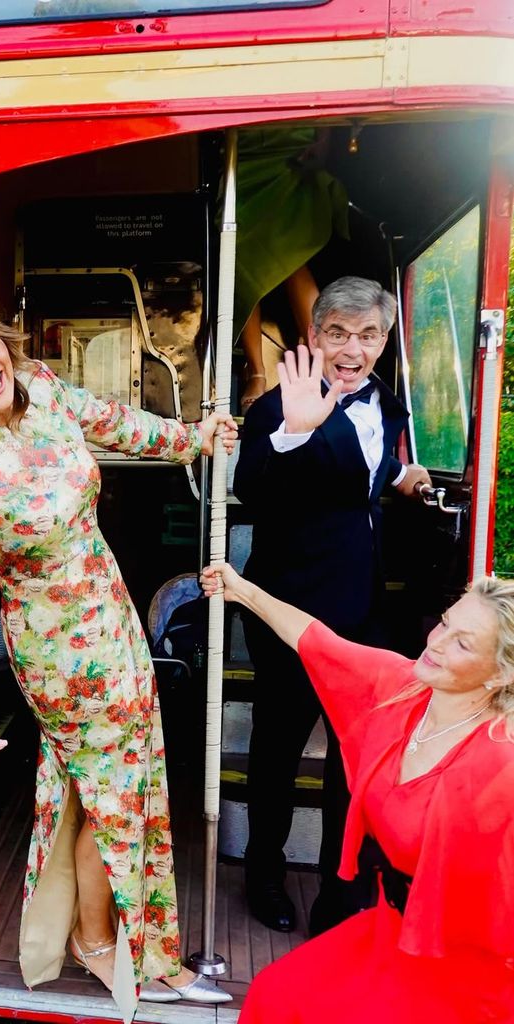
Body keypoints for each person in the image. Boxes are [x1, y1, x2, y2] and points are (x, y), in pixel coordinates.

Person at [0, 290, 238, 1024]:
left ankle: (96, 934)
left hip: (113, 615)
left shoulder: (42, 390)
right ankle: (106, 940)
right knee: (115, 796)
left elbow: (121, 425)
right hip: (57, 656)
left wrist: (193, 437)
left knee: (114, 784)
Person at [201, 561, 514, 1024]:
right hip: (391, 930)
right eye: (446, 622)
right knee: (274, 995)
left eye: (462, 642)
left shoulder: (501, 765)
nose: (436, 643)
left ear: (497, 676)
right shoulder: (399, 688)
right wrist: (242, 591)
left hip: (465, 965)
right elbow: (316, 639)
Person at [232, 277, 432, 936]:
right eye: (337, 333)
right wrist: (292, 432)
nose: (352, 348)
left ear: (381, 341)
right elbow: (252, 491)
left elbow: (360, 481)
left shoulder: (389, 405)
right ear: (313, 337)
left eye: (367, 334)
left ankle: (337, 891)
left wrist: (401, 476)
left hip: (362, 611)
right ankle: (262, 875)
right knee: (278, 752)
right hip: (287, 610)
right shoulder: (277, 407)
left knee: (356, 760)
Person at [233, 127, 348, 412]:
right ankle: (257, 371)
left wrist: (324, 137)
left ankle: (325, 362)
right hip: (241, 148)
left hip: (289, 142)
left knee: (292, 251)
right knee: (240, 255)